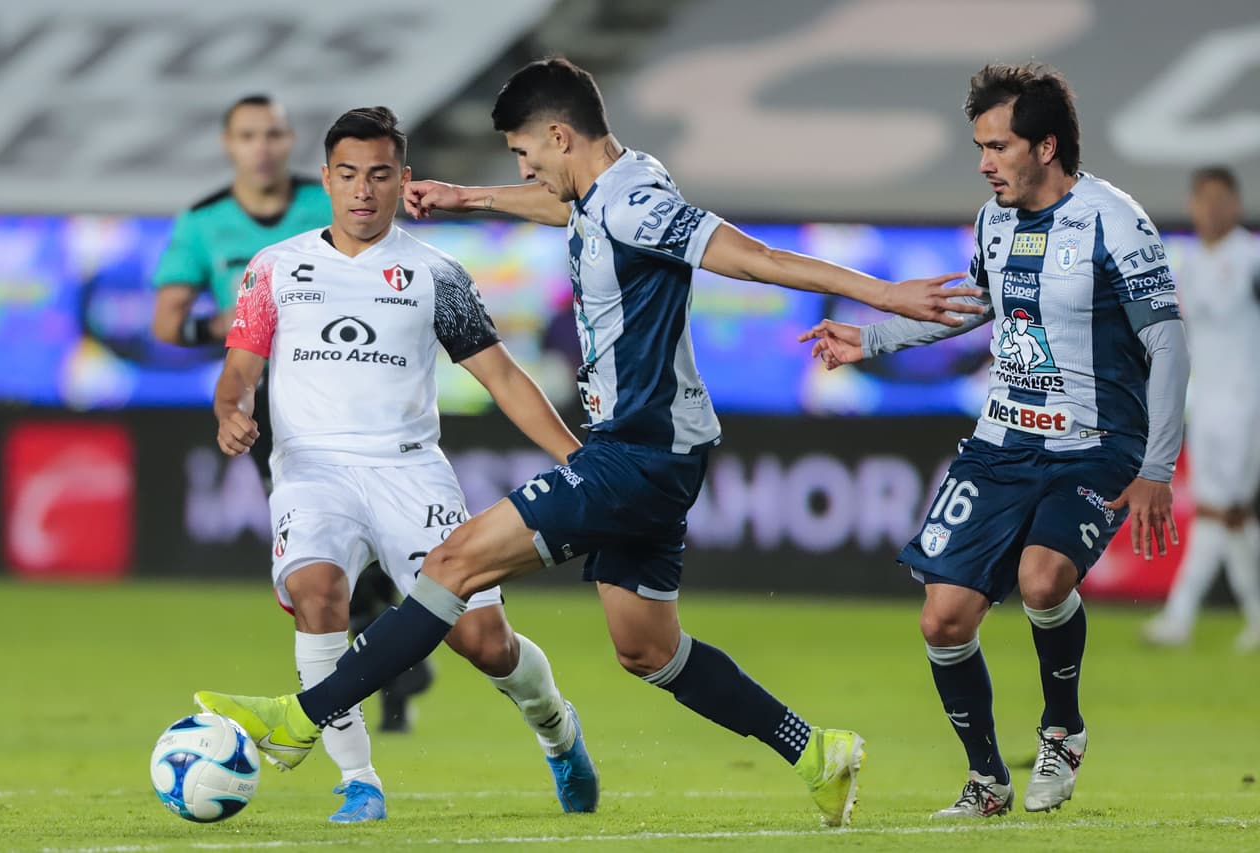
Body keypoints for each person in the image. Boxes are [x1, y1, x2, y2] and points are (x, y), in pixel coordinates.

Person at [196, 57, 986, 827]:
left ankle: (302, 717)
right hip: (655, 449)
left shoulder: (635, 201)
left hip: (639, 450)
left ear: (557, 136)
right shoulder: (615, 185)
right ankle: (815, 750)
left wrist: (884, 294)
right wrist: (473, 196)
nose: (527, 168)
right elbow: (568, 210)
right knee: (647, 649)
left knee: (451, 565)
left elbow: (755, 257)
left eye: (525, 153)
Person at [800, 63, 1189, 818]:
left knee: (1045, 580)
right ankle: (987, 780)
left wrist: (1157, 467)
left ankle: (1063, 728)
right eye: (979, 145)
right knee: (942, 618)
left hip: (1096, 442)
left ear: (1046, 146)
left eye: (998, 146)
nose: (984, 162)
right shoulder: (993, 220)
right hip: (1001, 443)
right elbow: (977, 304)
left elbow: (1167, 344)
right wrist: (869, 339)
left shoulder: (1115, 219)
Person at [204, 106, 600, 821]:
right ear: (325, 179)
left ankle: (557, 729)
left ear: (402, 180)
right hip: (312, 470)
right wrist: (231, 409)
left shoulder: (434, 274)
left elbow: (505, 378)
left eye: (380, 175)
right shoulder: (276, 268)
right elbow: (239, 371)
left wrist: (577, 456)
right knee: (318, 591)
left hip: (410, 473)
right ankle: (359, 781)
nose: (363, 191)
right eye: (349, 175)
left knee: (484, 640)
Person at [150, 94, 431, 740]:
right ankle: (388, 669)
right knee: (324, 554)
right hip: (272, 405)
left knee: (382, 546)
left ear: (290, 140)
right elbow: (165, 322)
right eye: (248, 134)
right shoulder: (203, 221)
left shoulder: (329, 198)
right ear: (229, 144)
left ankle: (386, 660)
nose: (263, 146)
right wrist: (216, 325)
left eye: (273, 133)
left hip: (362, 391)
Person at [1144, 167, 1260, 652]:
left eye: (1220, 199)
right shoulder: (1185, 263)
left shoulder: (1252, 259)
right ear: (1192, 206)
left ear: (1235, 205)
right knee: (1221, 513)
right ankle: (1205, 617)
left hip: (1247, 400)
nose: (1211, 209)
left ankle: (1181, 616)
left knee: (1226, 510)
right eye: (1202, 199)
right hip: (1205, 402)